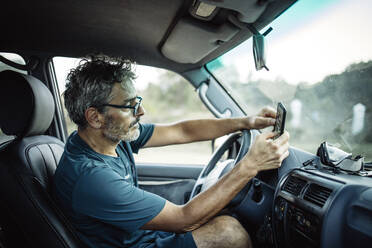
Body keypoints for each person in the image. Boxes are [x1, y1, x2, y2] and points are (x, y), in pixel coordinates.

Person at [53, 55, 290, 248]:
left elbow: (182, 131)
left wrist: (245, 122)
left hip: (143, 236)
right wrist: (250, 165)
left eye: (139, 101)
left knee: (225, 210)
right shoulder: (91, 177)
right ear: (95, 117)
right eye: (130, 106)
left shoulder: (107, 136)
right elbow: (182, 220)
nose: (141, 111)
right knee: (230, 233)